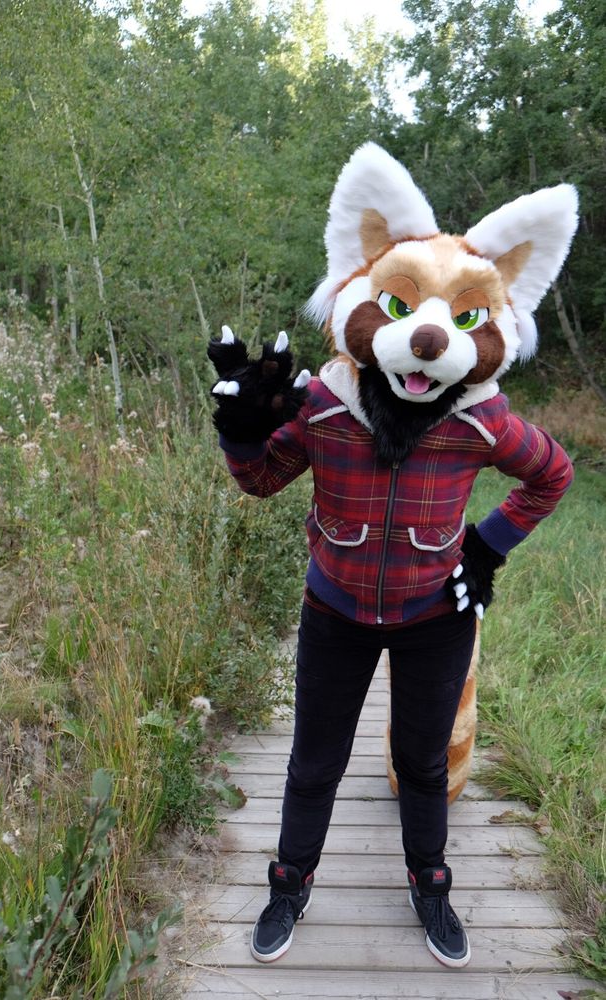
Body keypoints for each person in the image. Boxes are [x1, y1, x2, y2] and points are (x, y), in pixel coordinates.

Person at [207, 143, 577, 968]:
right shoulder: (326, 410)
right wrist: (240, 434)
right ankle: (289, 881)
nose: (424, 341)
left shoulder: (479, 422)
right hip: (333, 609)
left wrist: (486, 548)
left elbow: (552, 475)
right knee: (313, 760)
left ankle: (430, 884)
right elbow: (263, 480)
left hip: (430, 618)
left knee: (419, 759)